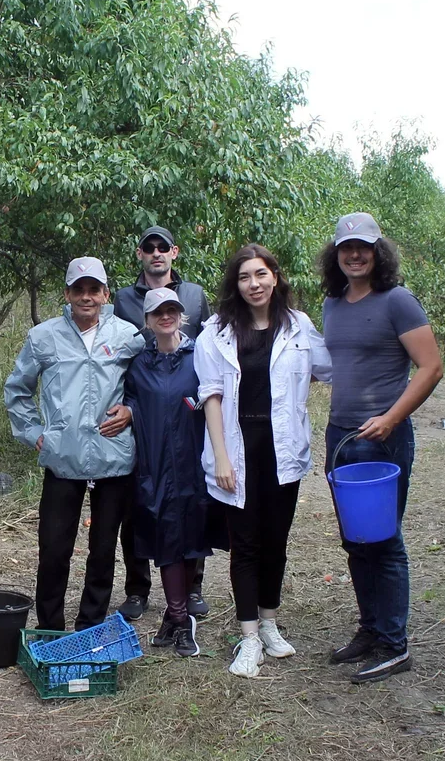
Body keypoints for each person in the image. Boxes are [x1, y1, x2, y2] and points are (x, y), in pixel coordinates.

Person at [195, 244, 331, 678]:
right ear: (235, 284)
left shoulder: (298, 326)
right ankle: (249, 636)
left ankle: (270, 624)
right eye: (244, 277)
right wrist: (220, 457)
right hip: (238, 447)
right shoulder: (216, 331)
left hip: (283, 449)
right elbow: (211, 396)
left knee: (276, 541)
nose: (254, 284)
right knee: (246, 545)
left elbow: (330, 368)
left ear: (276, 277)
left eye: (261, 274)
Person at [319, 212, 442, 684]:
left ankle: (394, 644)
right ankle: (370, 630)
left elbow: (431, 367)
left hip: (383, 440)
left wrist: (392, 419)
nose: (355, 254)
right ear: (336, 254)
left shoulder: (398, 302)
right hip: (341, 436)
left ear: (377, 252)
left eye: (363, 247)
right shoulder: (332, 304)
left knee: (384, 540)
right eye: (346, 247)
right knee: (356, 541)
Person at [5, 257, 144, 631]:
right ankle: (50, 628)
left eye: (93, 290)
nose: (86, 297)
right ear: (66, 294)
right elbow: (17, 389)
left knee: (102, 550)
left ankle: (90, 626)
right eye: (78, 289)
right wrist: (33, 432)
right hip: (62, 457)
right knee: (54, 549)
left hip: (112, 455)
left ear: (105, 294)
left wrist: (131, 412)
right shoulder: (43, 337)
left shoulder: (127, 336)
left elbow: (146, 387)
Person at [112, 225, 214, 622]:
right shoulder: (122, 298)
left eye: (163, 247)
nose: (156, 253)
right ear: (140, 253)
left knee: (193, 498)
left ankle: (193, 587)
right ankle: (137, 588)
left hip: (187, 409)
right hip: (145, 407)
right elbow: (118, 361)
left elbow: (209, 353)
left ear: (174, 252)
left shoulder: (194, 294)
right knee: (139, 502)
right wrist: (128, 408)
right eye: (148, 247)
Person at [122, 288, 209, 657]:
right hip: (154, 463)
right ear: (147, 320)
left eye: (172, 310)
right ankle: (179, 616)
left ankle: (177, 618)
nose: (166, 316)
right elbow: (129, 402)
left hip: (196, 460)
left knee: (190, 538)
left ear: (182, 314)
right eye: (158, 312)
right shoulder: (139, 364)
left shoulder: (200, 356)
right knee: (167, 537)